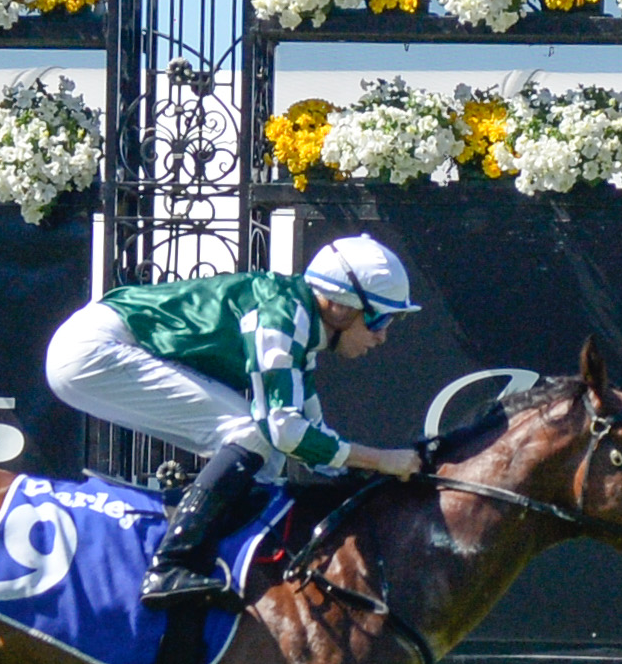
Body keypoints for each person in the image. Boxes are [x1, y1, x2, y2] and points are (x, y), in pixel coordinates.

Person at [40, 232, 423, 607]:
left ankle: (219, 553)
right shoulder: (282, 317)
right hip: (95, 349)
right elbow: (283, 430)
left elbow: (312, 443)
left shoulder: (301, 323)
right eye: (379, 320)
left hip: (99, 346)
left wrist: (368, 476)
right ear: (340, 307)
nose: (383, 336)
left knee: (266, 455)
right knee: (251, 433)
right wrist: (381, 459)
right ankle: (172, 562)